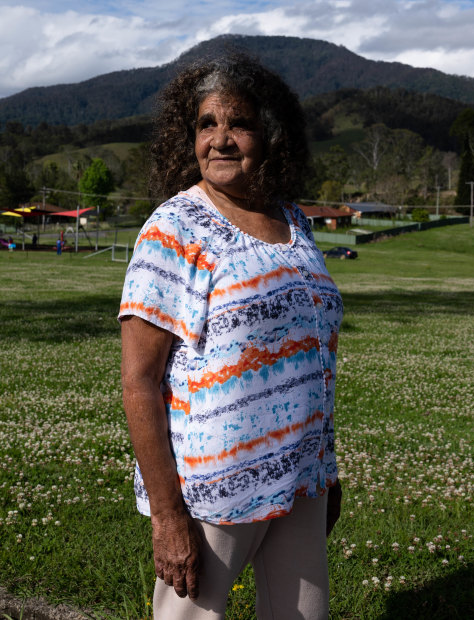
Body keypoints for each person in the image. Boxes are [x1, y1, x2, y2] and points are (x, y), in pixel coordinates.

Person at [119, 54, 343, 620]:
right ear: (186, 136)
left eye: (238, 123)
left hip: (300, 479)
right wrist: (169, 518)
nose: (220, 140)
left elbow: (314, 352)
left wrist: (325, 467)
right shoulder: (174, 229)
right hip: (212, 490)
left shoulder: (295, 222)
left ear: (270, 134)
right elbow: (139, 381)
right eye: (206, 125)